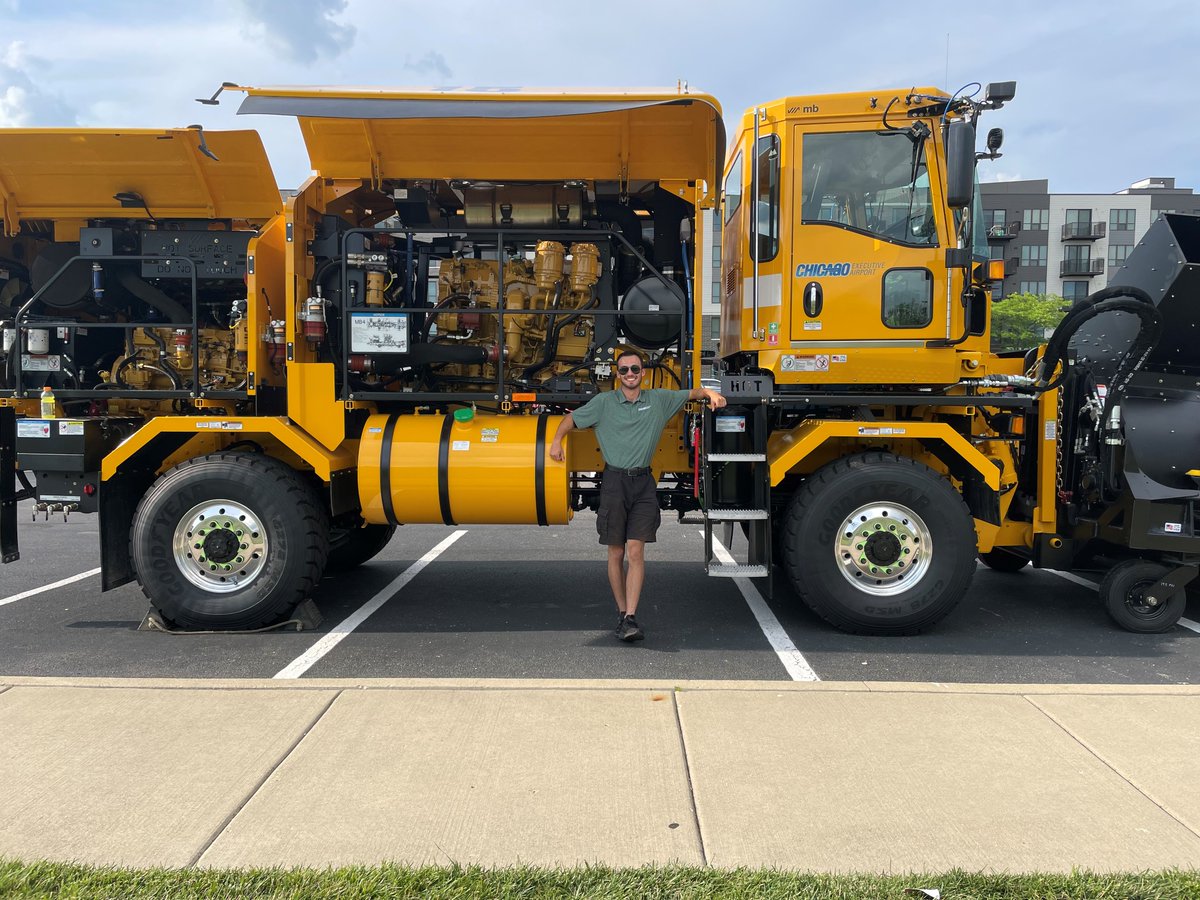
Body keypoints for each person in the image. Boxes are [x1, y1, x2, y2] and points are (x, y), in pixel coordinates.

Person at [549, 349, 726, 642]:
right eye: (624, 370)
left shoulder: (657, 400)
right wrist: (557, 441)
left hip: (643, 482)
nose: (629, 374)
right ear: (617, 375)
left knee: (636, 550)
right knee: (616, 551)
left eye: (634, 369)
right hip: (614, 482)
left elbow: (690, 393)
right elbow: (571, 420)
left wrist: (709, 393)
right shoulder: (604, 403)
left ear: (643, 372)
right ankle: (621, 613)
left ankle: (631, 616)